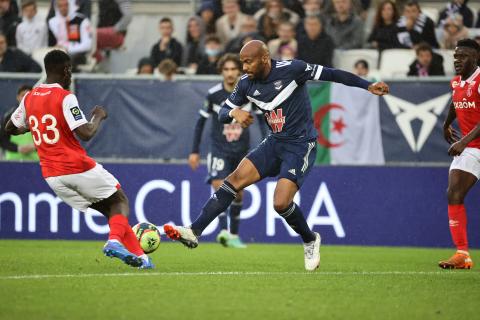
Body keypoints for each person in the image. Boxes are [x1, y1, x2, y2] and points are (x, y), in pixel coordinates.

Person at [164, 40, 389, 271]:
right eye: (242, 63)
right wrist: (235, 112)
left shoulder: (293, 69)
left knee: (280, 203)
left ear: (264, 58)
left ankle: (310, 239)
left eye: (248, 62)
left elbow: (332, 74)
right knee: (233, 181)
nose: (244, 67)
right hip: (274, 143)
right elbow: (222, 113)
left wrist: (367, 85)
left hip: (300, 145)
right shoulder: (245, 84)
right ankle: (194, 231)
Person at [4, 49, 154, 269]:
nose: (71, 75)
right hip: (74, 165)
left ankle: (142, 258)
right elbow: (86, 133)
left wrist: (33, 123)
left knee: (109, 209)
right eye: (70, 70)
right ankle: (113, 242)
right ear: (65, 70)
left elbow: (10, 128)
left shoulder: (30, 97)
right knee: (120, 201)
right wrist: (98, 116)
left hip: (51, 175)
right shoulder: (66, 97)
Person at [188, 53, 266, 248]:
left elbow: (263, 119)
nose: (230, 73)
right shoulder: (213, 94)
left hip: (241, 150)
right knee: (219, 186)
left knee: (238, 193)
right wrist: (194, 151)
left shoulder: (248, 93)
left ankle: (233, 234)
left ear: (239, 72)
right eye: (226, 69)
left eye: (233, 70)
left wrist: (268, 142)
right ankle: (223, 231)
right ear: (221, 71)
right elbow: (200, 122)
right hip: (219, 149)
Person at [439, 38, 480, 269]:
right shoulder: (456, 82)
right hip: (474, 149)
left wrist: (463, 141)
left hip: (471, 145)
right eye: (455, 56)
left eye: (463, 56)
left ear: (475, 58)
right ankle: (462, 253)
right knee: (453, 193)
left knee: (454, 192)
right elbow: (456, 102)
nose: (457, 61)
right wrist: (446, 125)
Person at [47, 0, 93, 71]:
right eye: (60, 6)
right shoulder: (52, 23)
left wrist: (68, 49)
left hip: (76, 53)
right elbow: (50, 44)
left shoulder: (81, 20)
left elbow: (88, 45)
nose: (63, 8)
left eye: (66, 5)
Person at [0, 84, 37, 160]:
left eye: (28, 95)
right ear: (17, 97)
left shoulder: (40, 115)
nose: (25, 98)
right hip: (13, 161)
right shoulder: (8, 116)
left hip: (35, 161)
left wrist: (35, 147)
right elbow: (2, 140)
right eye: (23, 95)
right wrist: (17, 148)